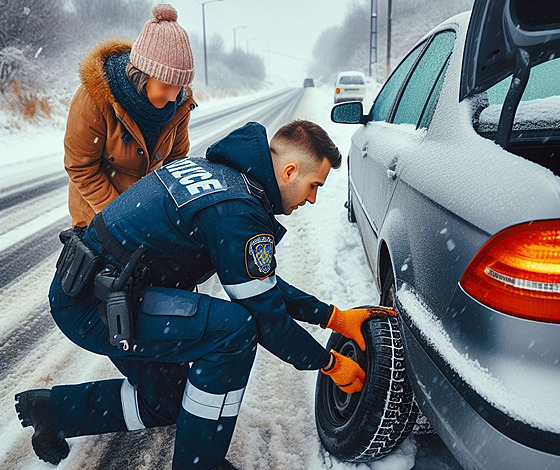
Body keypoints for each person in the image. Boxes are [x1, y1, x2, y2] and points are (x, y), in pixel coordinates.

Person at [15, 120, 396, 470]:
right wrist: (328, 363)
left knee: (167, 400)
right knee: (234, 332)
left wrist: (331, 316)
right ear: (290, 171)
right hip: (97, 304)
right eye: (314, 185)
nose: (312, 199)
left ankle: (54, 412)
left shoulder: (224, 178)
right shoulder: (237, 208)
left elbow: (256, 284)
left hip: (99, 291)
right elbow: (265, 317)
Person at [65, 3, 197, 228]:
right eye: (165, 86)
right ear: (141, 77)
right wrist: (120, 217)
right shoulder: (96, 96)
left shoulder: (180, 104)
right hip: (97, 219)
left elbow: (175, 162)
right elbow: (81, 167)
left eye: (179, 86)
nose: (173, 97)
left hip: (146, 219)